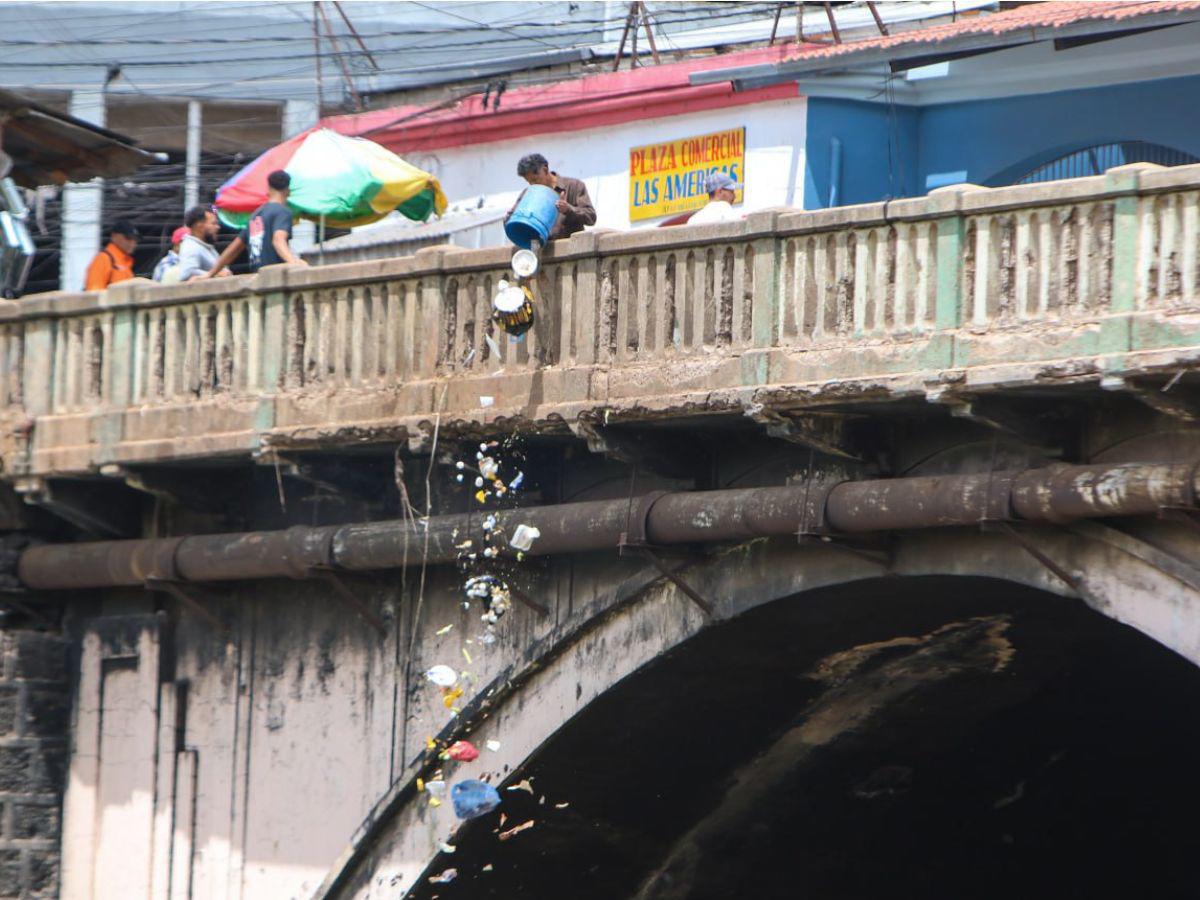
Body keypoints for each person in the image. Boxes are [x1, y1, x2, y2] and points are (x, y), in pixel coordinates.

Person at [202, 170, 306, 277]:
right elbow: (278, 240)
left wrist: (210, 273)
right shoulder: (283, 212)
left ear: (269, 189)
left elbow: (233, 249)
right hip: (275, 277)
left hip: (258, 278)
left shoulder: (255, 216)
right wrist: (293, 262)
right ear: (288, 191)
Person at [511, 153, 596, 241]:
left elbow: (591, 217)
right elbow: (512, 220)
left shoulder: (574, 186)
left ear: (545, 169)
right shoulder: (528, 193)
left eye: (535, 180)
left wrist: (568, 209)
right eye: (529, 182)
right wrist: (512, 217)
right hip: (542, 251)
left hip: (571, 250)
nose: (533, 185)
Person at [177, 205, 229, 281]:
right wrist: (215, 274)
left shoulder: (205, 246)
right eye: (213, 223)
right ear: (199, 226)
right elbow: (187, 273)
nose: (218, 227)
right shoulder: (191, 247)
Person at [84, 220, 139, 291]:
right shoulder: (103, 259)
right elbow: (94, 294)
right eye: (128, 238)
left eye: (135, 239)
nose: (132, 243)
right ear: (114, 236)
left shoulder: (126, 263)